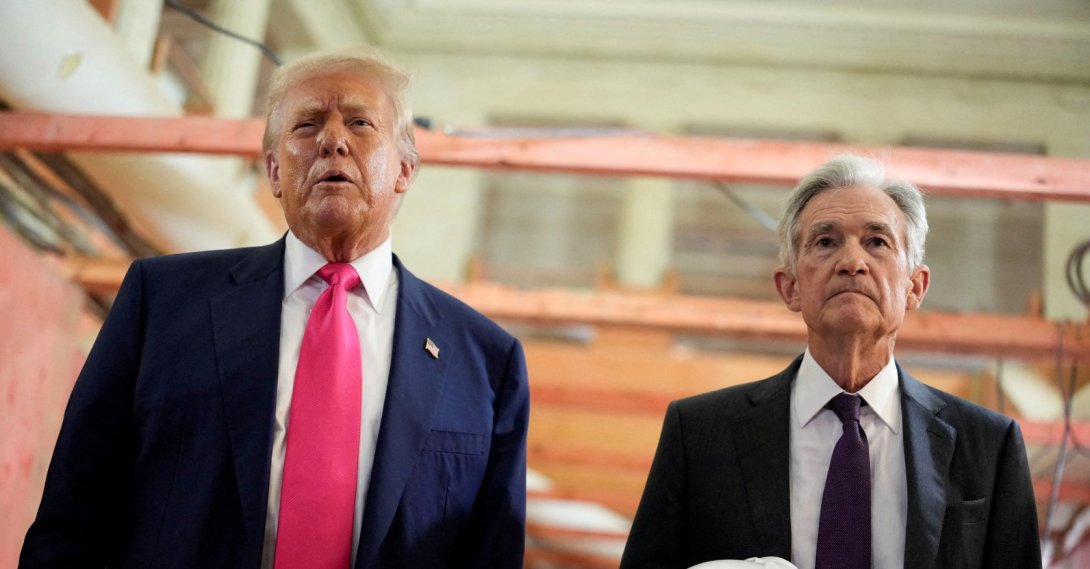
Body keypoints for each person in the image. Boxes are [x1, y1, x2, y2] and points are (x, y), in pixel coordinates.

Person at [20, 47, 529, 569]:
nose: (332, 140)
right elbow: (72, 513)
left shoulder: (487, 363)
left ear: (404, 169)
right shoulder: (162, 303)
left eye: (360, 122)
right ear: (274, 172)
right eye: (307, 125)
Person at [620, 155, 1041, 569]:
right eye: (825, 242)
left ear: (915, 286)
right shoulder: (700, 434)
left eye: (877, 242)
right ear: (790, 287)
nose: (852, 263)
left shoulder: (988, 445)